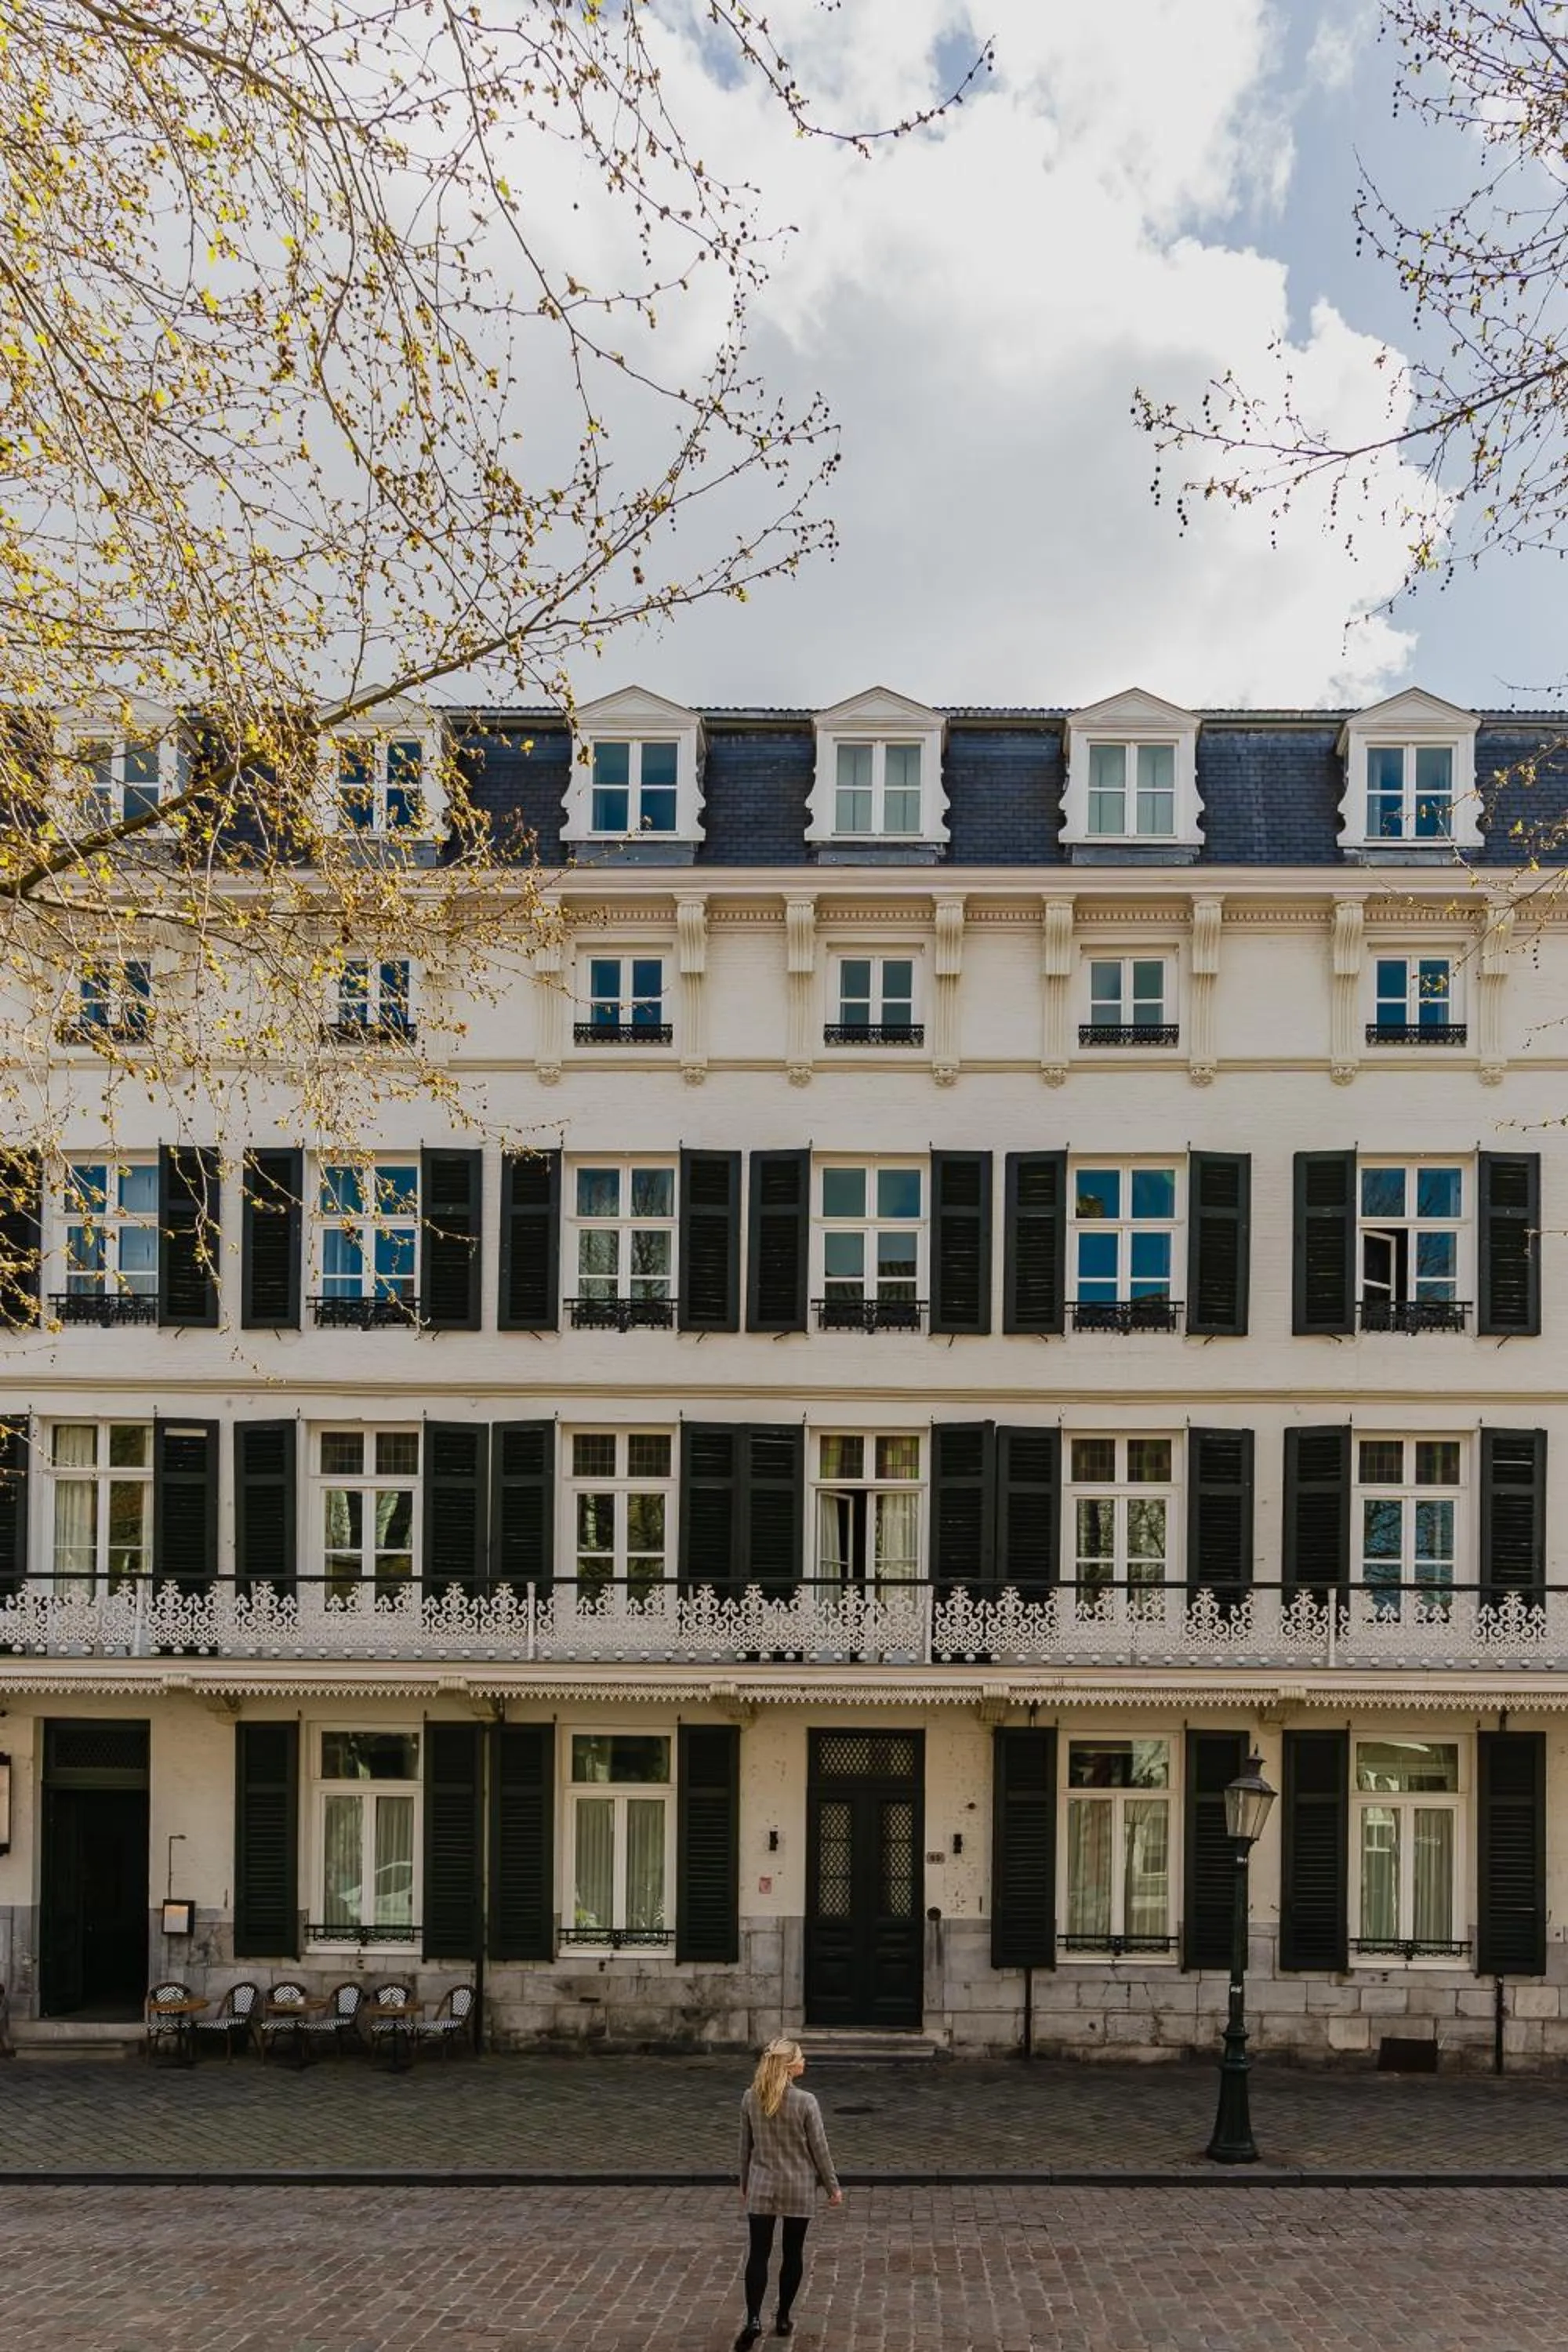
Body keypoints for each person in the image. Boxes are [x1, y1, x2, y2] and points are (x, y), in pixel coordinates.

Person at [735, 2035, 841, 2346]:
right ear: (790, 2065)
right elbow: (820, 2150)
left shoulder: (750, 2097)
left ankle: (753, 2318)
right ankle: (782, 2316)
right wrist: (832, 2187)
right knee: (792, 2253)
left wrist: (744, 2184)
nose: (805, 2061)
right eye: (801, 2057)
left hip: (762, 2185)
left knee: (758, 2253)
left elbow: (745, 2149)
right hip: (798, 2186)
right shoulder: (806, 2101)